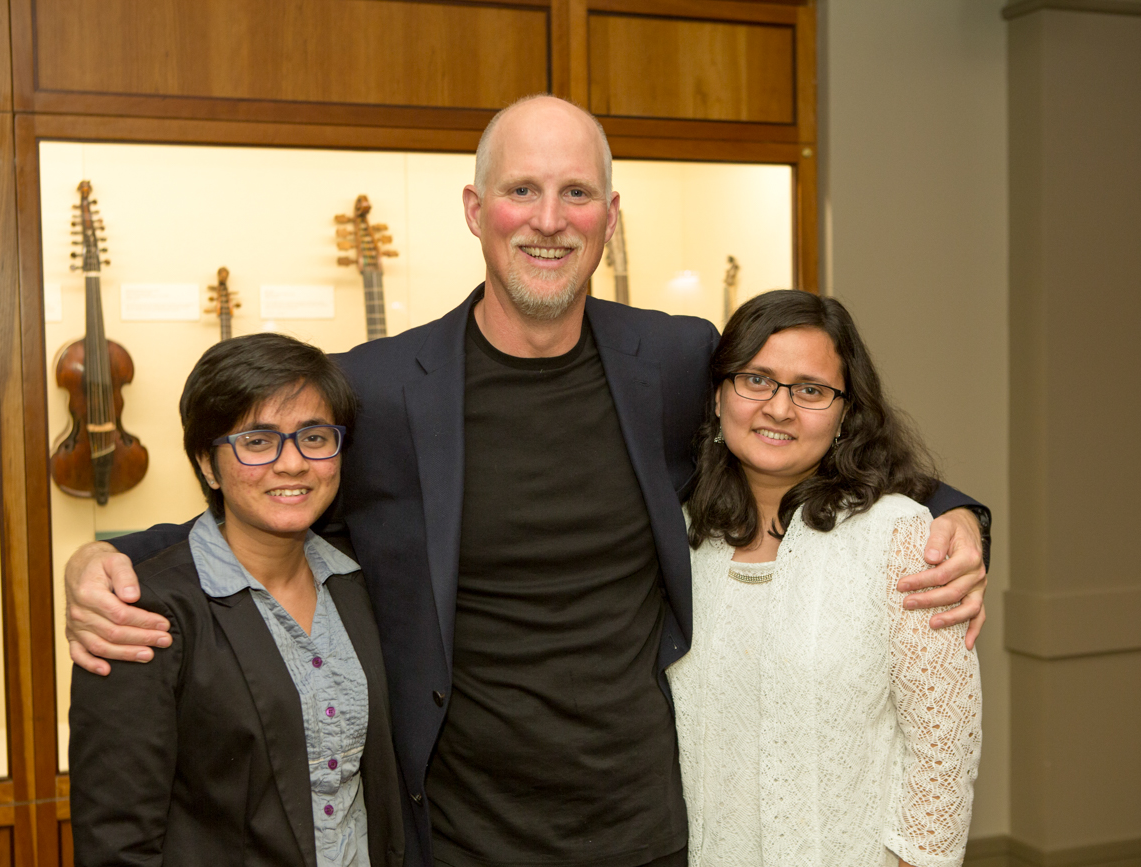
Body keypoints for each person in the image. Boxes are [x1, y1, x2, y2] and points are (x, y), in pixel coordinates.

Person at [61, 95, 990, 867]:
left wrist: (957, 517)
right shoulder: (381, 388)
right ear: (476, 210)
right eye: (522, 191)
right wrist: (111, 557)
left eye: (577, 192)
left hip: (650, 828)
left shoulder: (672, 360)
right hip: (459, 833)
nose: (550, 219)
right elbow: (269, 485)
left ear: (610, 218)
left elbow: (809, 436)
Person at [69, 333, 404, 867]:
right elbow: (116, 839)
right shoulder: (140, 612)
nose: (292, 464)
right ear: (207, 462)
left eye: (314, 437)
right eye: (257, 441)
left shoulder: (359, 579)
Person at [669, 290, 980, 867]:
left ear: (844, 413)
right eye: (756, 379)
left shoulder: (900, 537)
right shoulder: (678, 538)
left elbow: (942, 748)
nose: (779, 408)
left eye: (811, 390)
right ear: (717, 395)